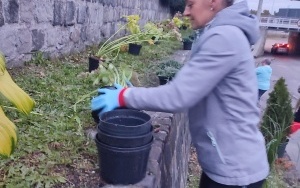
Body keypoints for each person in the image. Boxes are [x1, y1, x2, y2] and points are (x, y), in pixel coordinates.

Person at [91, 0, 269, 187]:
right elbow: (191, 83)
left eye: (191, 4)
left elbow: (178, 96)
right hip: (226, 165)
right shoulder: (222, 33)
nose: (185, 12)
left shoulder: (224, 37)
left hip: (236, 172)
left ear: (213, 2)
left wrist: (123, 96)